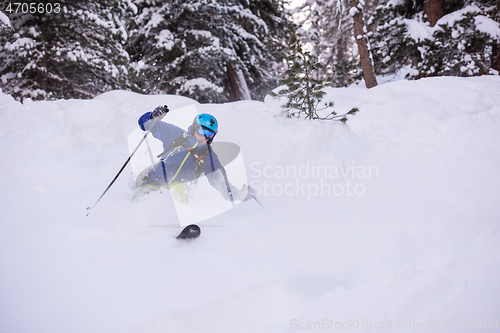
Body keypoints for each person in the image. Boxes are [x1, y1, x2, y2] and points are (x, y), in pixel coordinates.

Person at [137, 105, 254, 203]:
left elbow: (220, 183)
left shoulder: (208, 157)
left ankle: (176, 224)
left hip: (178, 193)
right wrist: (152, 117)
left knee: (178, 188)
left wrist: (240, 195)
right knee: (140, 206)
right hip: (154, 183)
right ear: (194, 127)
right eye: (201, 131)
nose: (204, 137)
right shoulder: (177, 135)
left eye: (209, 134)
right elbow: (145, 124)